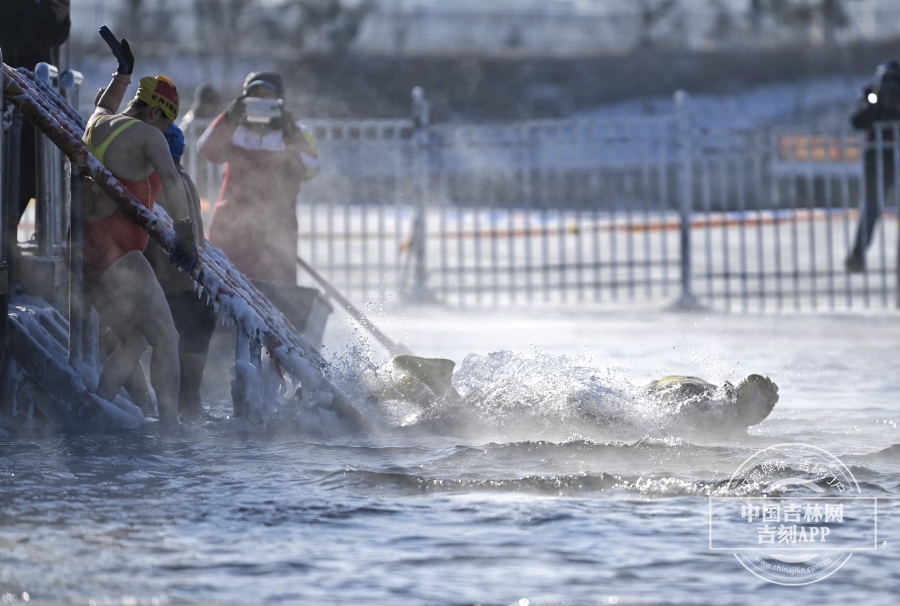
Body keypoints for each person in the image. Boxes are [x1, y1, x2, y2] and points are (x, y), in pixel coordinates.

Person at [81, 26, 198, 427]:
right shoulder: (150, 135)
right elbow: (172, 179)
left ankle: (95, 411)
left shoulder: (98, 123)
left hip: (84, 248)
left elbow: (103, 104)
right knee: (167, 338)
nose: (166, 134)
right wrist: (186, 234)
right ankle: (169, 428)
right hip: (119, 254)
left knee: (133, 338)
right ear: (155, 114)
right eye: (167, 124)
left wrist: (123, 72)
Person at [198, 71, 320, 283]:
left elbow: (312, 168)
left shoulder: (295, 130)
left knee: (278, 289)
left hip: (276, 229)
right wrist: (228, 116)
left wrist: (290, 133)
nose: (261, 100)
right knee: (226, 286)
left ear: (279, 99)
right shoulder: (234, 128)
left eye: (267, 95)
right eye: (255, 95)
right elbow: (205, 148)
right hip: (231, 226)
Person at [143, 124, 218, 421]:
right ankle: (187, 409)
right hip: (190, 289)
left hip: (178, 287)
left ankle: (175, 412)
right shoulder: (182, 178)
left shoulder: (163, 182)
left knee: (194, 323)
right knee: (190, 397)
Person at [0, 0, 71, 222]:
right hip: (8, 77)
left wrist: (62, 19)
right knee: (13, 163)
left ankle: (11, 237)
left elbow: (54, 36)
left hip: (36, 85)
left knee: (34, 166)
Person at [846, 60, 900, 273]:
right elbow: (858, 121)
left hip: (877, 157)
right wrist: (875, 103)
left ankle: (857, 255)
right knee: (871, 206)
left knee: (871, 207)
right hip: (878, 158)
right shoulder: (872, 95)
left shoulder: (874, 94)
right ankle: (857, 255)